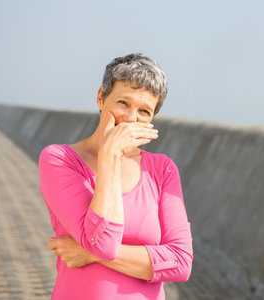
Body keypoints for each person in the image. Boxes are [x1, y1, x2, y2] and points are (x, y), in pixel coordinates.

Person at [38, 53, 193, 300]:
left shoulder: (163, 169)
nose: (131, 118)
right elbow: (102, 243)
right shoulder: (59, 159)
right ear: (101, 98)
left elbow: (181, 262)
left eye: (144, 110)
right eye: (123, 103)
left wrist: (88, 253)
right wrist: (109, 154)